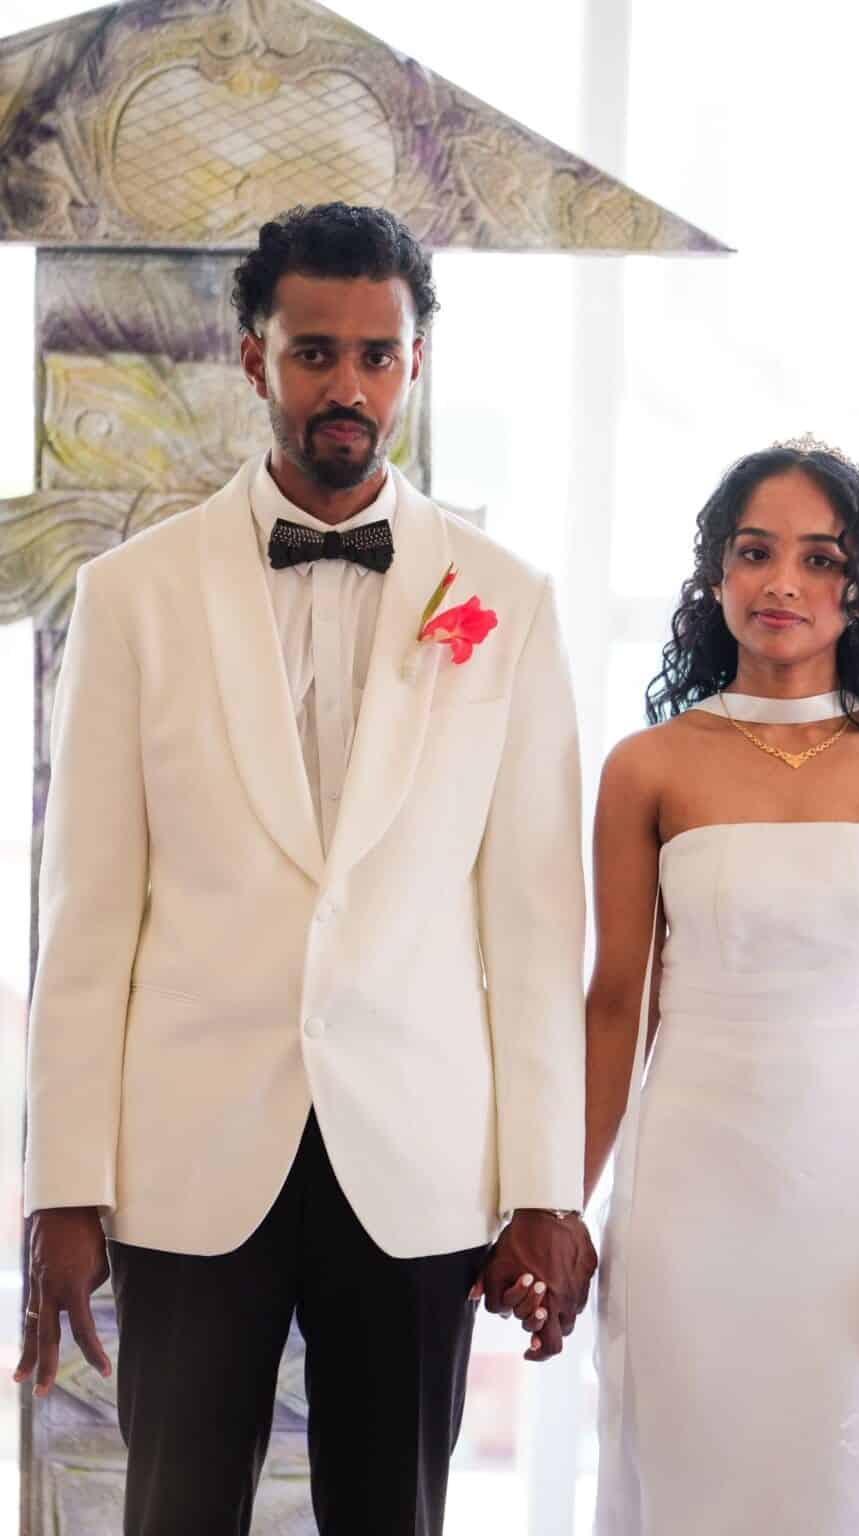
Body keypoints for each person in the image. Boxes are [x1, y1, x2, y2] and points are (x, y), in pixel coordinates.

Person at [15, 201, 597, 1536]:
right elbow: (89, 917)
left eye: (378, 356)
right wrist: (61, 1179)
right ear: (251, 358)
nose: (348, 386)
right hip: (188, 1155)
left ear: (416, 365)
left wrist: (544, 1185)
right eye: (315, 351)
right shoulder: (133, 599)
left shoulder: (507, 600)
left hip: (419, 1160)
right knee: (174, 1515)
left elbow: (530, 923)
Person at [584, 436, 859, 1534]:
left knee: (854, 1476)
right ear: (716, 575)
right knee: (685, 1469)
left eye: (818, 559)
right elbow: (614, 1001)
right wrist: (554, 1203)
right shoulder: (647, 766)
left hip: (857, 1195)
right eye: (755, 553)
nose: (783, 584)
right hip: (688, 1185)